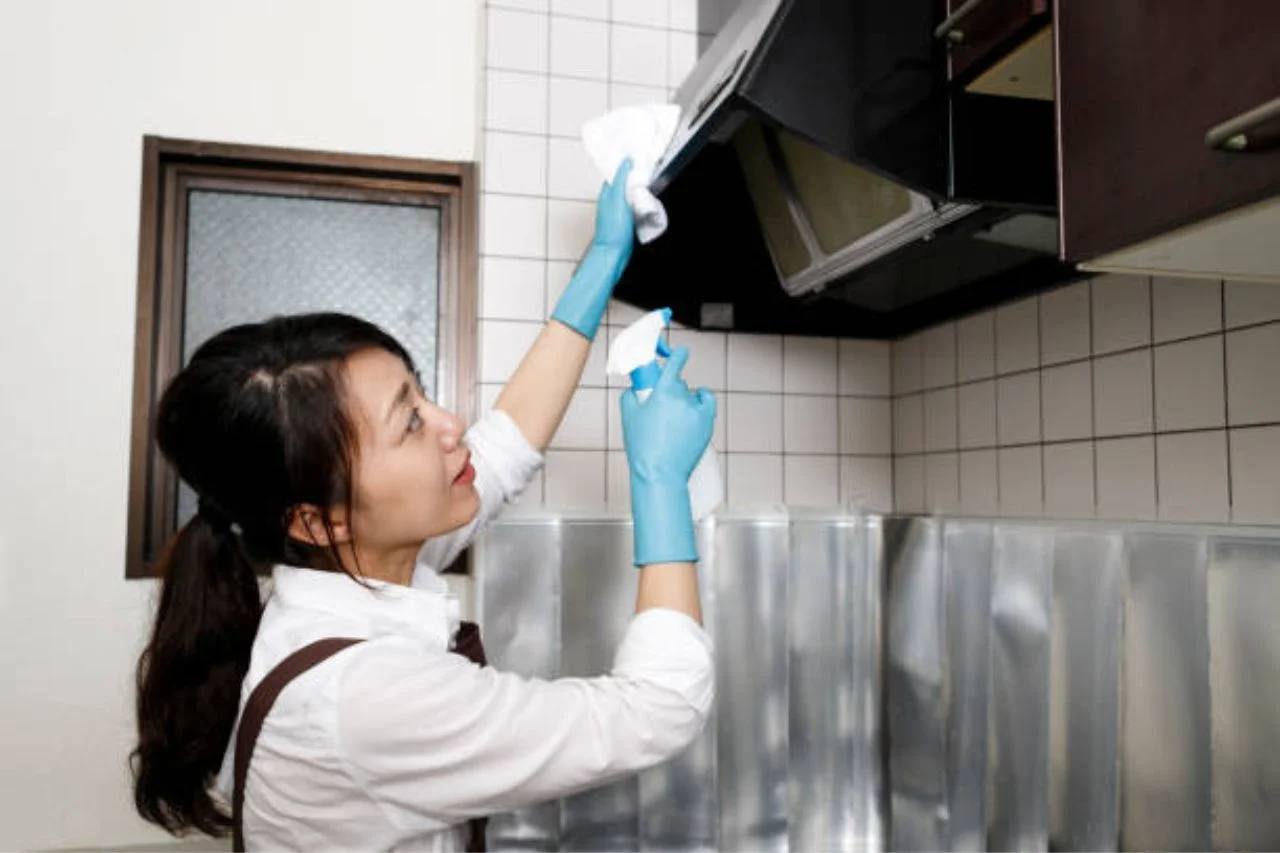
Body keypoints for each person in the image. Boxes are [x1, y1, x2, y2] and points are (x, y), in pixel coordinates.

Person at [130, 161, 718, 851]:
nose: (449, 423)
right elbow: (658, 709)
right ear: (318, 519)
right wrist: (660, 481)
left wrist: (603, 260)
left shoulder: (366, 562)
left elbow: (505, 445)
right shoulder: (366, 695)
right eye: (408, 422)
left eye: (420, 393)